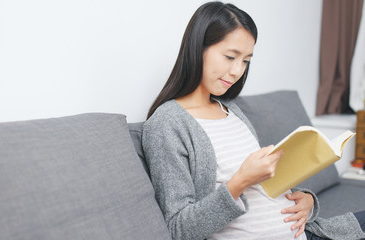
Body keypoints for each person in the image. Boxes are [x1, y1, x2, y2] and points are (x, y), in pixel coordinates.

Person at [142, 2, 365, 240]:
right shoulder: (167, 123)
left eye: (246, 60)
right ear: (198, 48)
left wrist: (307, 199)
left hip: (306, 233)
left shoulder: (232, 110)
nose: (237, 71)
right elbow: (179, 229)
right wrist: (240, 181)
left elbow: (263, 189)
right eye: (230, 57)